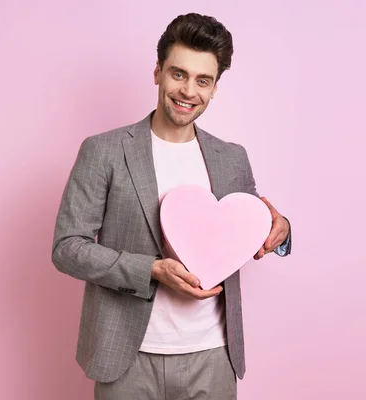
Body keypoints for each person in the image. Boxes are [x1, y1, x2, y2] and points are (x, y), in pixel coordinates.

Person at [52, 13, 292, 400]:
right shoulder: (104, 150)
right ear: (158, 72)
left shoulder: (232, 158)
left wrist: (280, 230)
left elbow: (249, 225)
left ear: (215, 88)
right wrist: (150, 270)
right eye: (178, 74)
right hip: (127, 357)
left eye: (203, 80)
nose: (188, 91)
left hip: (213, 357)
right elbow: (67, 247)